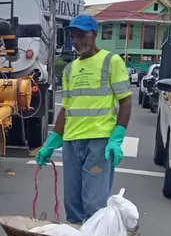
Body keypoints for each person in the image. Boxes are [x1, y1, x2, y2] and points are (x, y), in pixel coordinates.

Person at [36, 14, 132, 223]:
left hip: (99, 141)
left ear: (94, 34)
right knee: (72, 203)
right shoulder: (70, 69)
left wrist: (117, 137)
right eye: (72, 37)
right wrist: (51, 143)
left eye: (81, 35)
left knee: (94, 203)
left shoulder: (111, 61)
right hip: (71, 142)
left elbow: (125, 100)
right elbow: (66, 109)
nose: (77, 41)